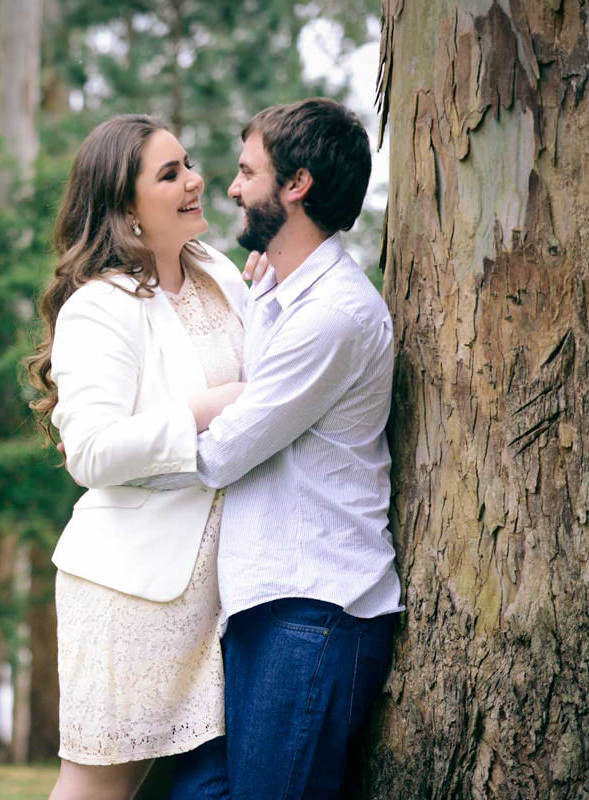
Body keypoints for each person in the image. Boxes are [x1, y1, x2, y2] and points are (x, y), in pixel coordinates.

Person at [148, 97, 403, 800]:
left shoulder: (334, 315)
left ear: (296, 186)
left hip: (315, 611)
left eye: (246, 172)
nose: (230, 187)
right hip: (263, 606)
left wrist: (121, 450)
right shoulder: (274, 297)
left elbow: (225, 451)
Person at [26, 114, 257, 800]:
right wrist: (208, 408)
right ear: (124, 207)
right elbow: (90, 453)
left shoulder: (219, 272)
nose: (196, 180)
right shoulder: (99, 306)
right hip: (131, 591)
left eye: (188, 164)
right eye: (170, 174)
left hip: (219, 592)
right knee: (99, 786)